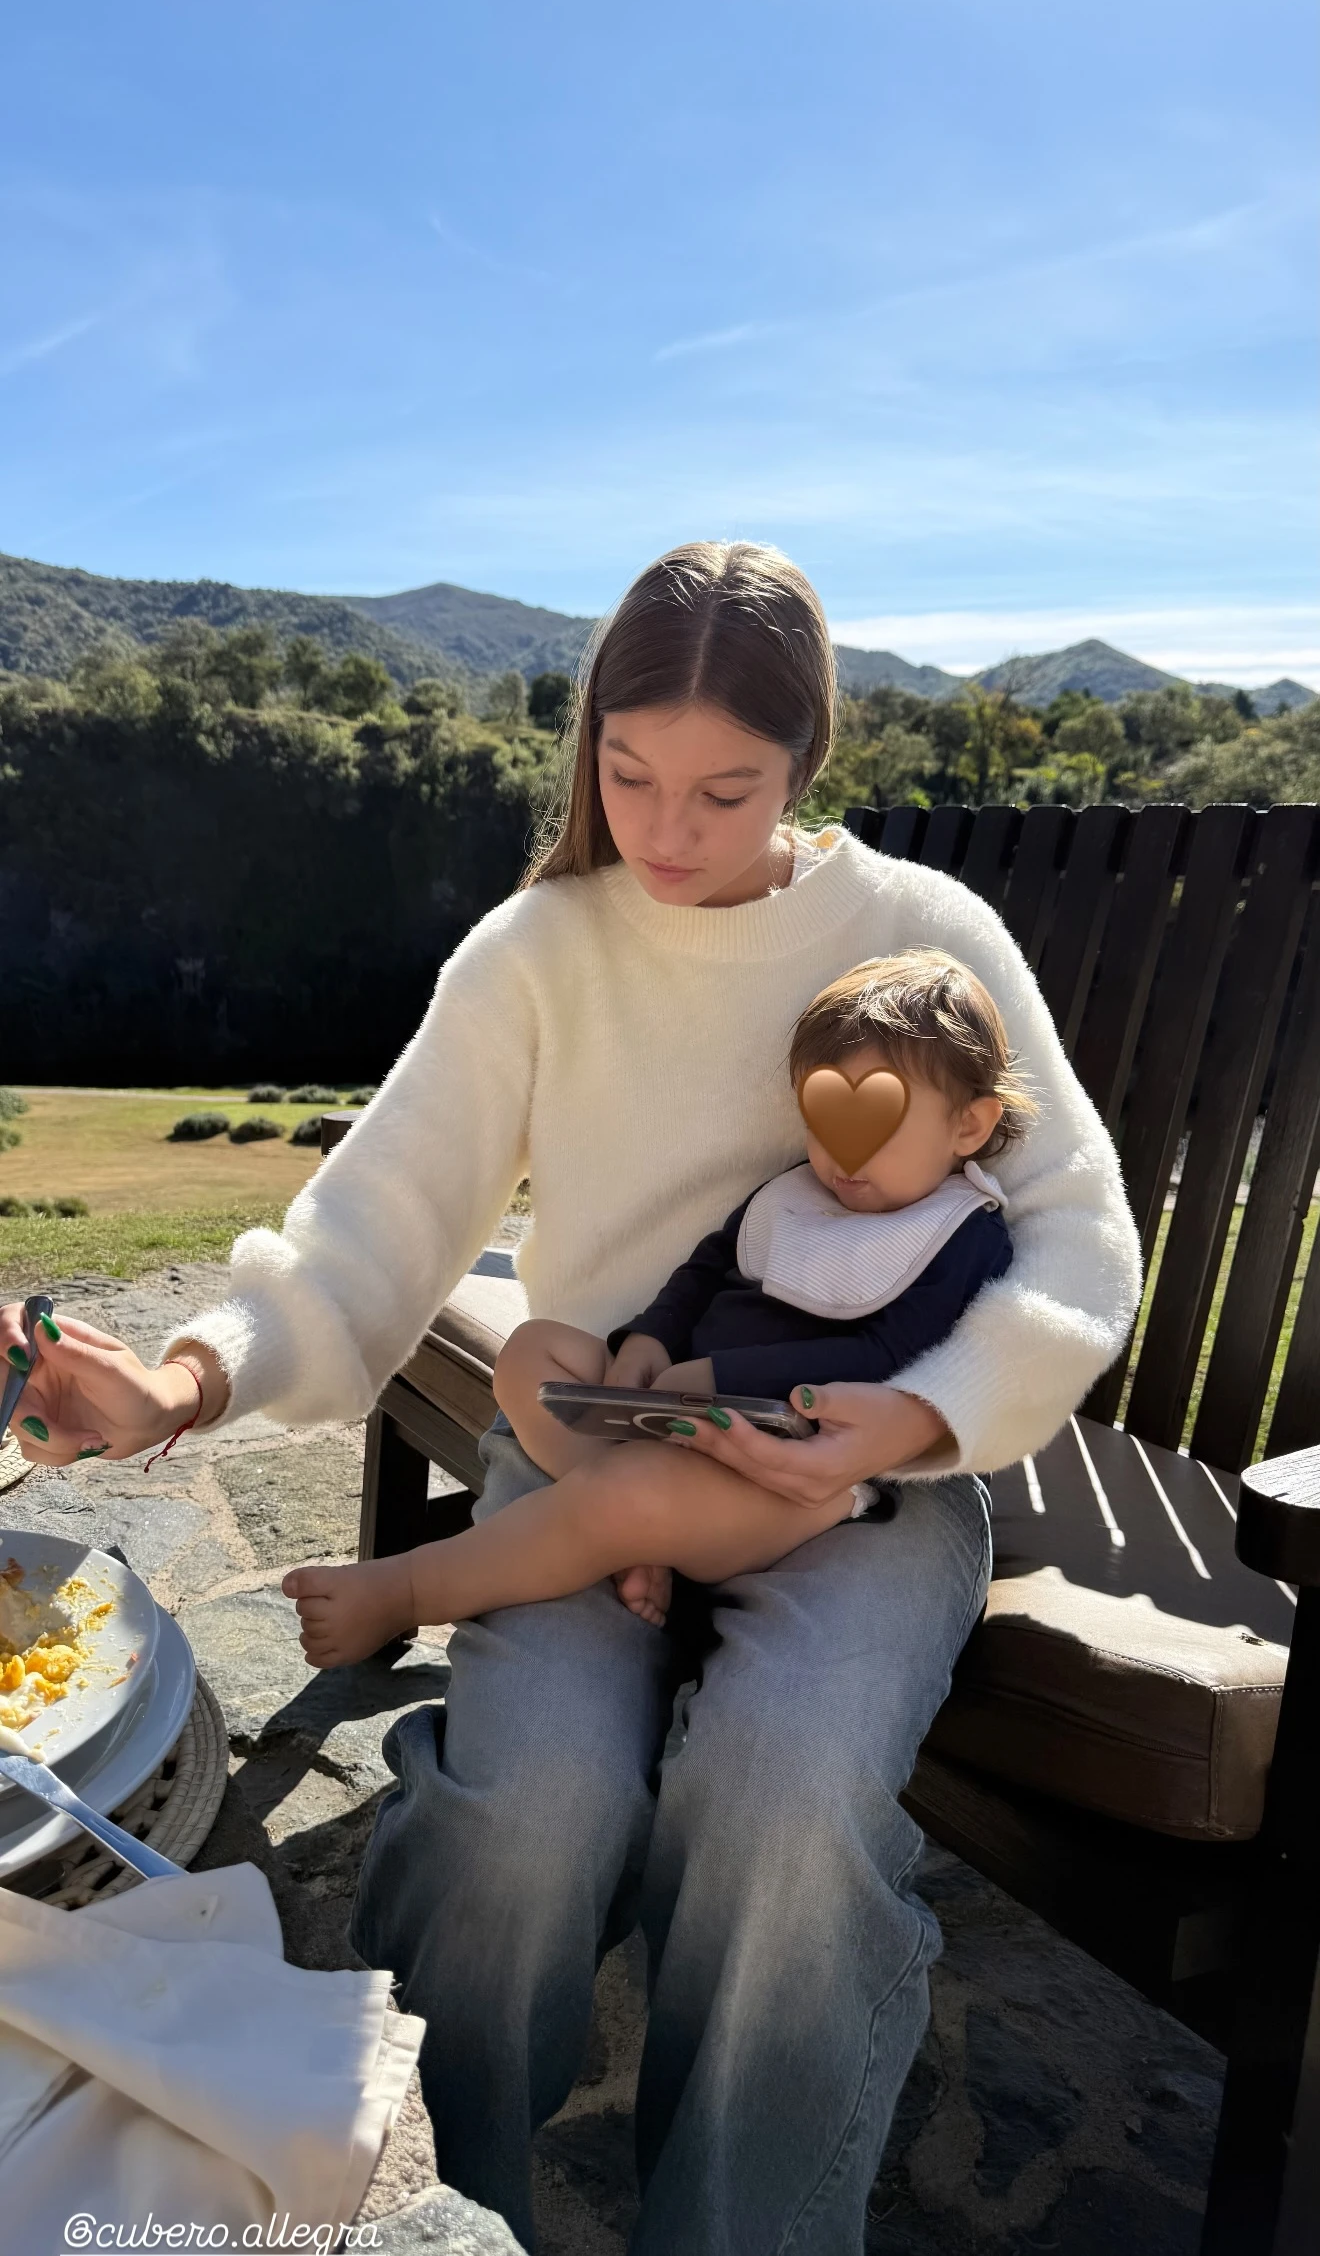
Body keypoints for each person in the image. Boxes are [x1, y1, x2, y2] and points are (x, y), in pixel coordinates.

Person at [2, 541, 1142, 2256]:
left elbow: (1079, 1232)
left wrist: (916, 1419)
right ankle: (438, 2214)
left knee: (787, 1799)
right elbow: (375, 1222)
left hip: (864, 1482)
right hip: (592, 1452)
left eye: (725, 791)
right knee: (525, 1822)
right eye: (627, 773)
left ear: (809, 758)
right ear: (588, 740)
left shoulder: (923, 936)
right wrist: (184, 1374)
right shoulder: (539, 949)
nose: (667, 831)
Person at [281, 949, 1034, 1663]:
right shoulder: (798, 1192)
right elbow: (707, 1267)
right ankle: (633, 1538)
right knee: (532, 1353)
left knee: (627, 1493)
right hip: (675, 1409)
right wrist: (652, 1337)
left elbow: (888, 1358)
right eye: (823, 1114)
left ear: (968, 1125)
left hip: (785, 1474)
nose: (842, 1149)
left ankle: (411, 1590)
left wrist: (717, 1378)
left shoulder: (963, 1237)